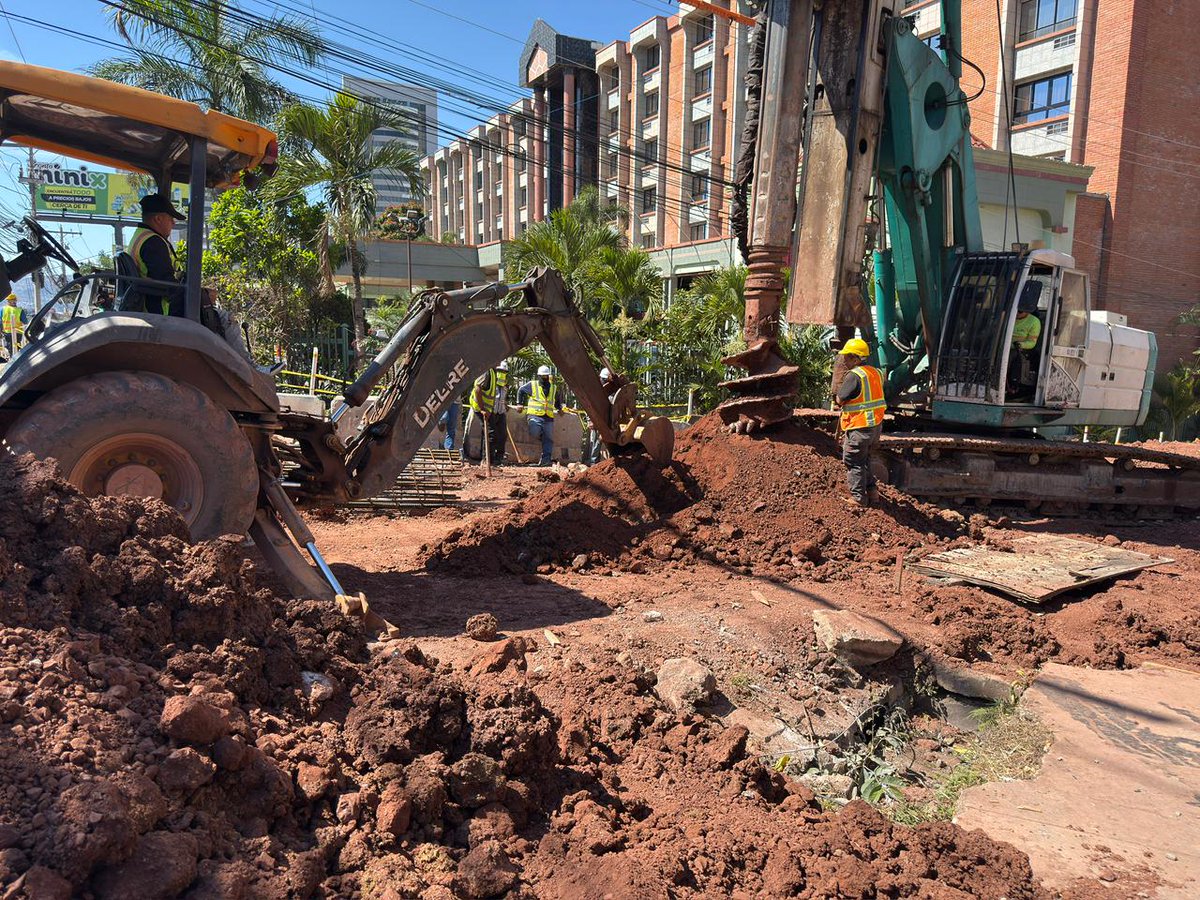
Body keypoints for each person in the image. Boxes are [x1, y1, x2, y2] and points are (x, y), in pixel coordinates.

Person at [833, 338, 886, 507]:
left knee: (853, 460)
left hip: (859, 427)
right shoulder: (876, 373)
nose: (845, 360)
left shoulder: (854, 376)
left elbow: (840, 399)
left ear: (856, 358)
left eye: (847, 357)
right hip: (875, 427)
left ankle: (857, 498)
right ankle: (873, 493)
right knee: (865, 460)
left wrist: (837, 399)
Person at [119, 193, 185, 316]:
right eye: (171, 218)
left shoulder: (140, 236)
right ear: (158, 219)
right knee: (222, 319)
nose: (173, 223)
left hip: (149, 309)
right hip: (160, 312)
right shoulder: (153, 242)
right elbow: (167, 284)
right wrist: (202, 294)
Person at [518, 364, 564, 467]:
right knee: (535, 432)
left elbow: (556, 400)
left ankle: (546, 460)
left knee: (549, 438)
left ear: (548, 376)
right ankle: (543, 439)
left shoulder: (553, 387)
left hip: (548, 417)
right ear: (538, 376)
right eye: (542, 376)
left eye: (546, 376)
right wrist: (519, 404)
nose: (544, 378)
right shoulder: (532, 385)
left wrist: (559, 409)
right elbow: (521, 391)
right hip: (535, 416)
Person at [466, 360, 508, 466]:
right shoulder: (487, 371)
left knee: (491, 434)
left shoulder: (492, 372)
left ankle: (488, 460)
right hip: (481, 408)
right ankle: (486, 461)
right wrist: (482, 409)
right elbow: (477, 389)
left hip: (487, 409)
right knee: (490, 433)